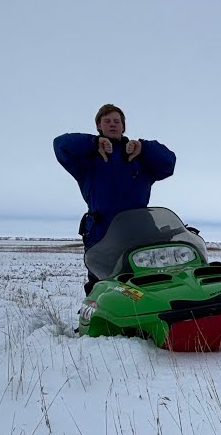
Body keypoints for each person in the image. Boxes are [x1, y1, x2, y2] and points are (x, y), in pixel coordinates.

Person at [54, 104, 176, 294]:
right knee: (101, 286)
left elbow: (169, 163)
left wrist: (144, 148)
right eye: (107, 121)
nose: (113, 125)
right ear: (98, 126)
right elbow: (60, 145)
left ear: (123, 126)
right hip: (101, 233)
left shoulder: (139, 157)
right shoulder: (87, 160)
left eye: (117, 121)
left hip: (140, 232)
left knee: (143, 283)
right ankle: (95, 319)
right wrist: (94, 144)